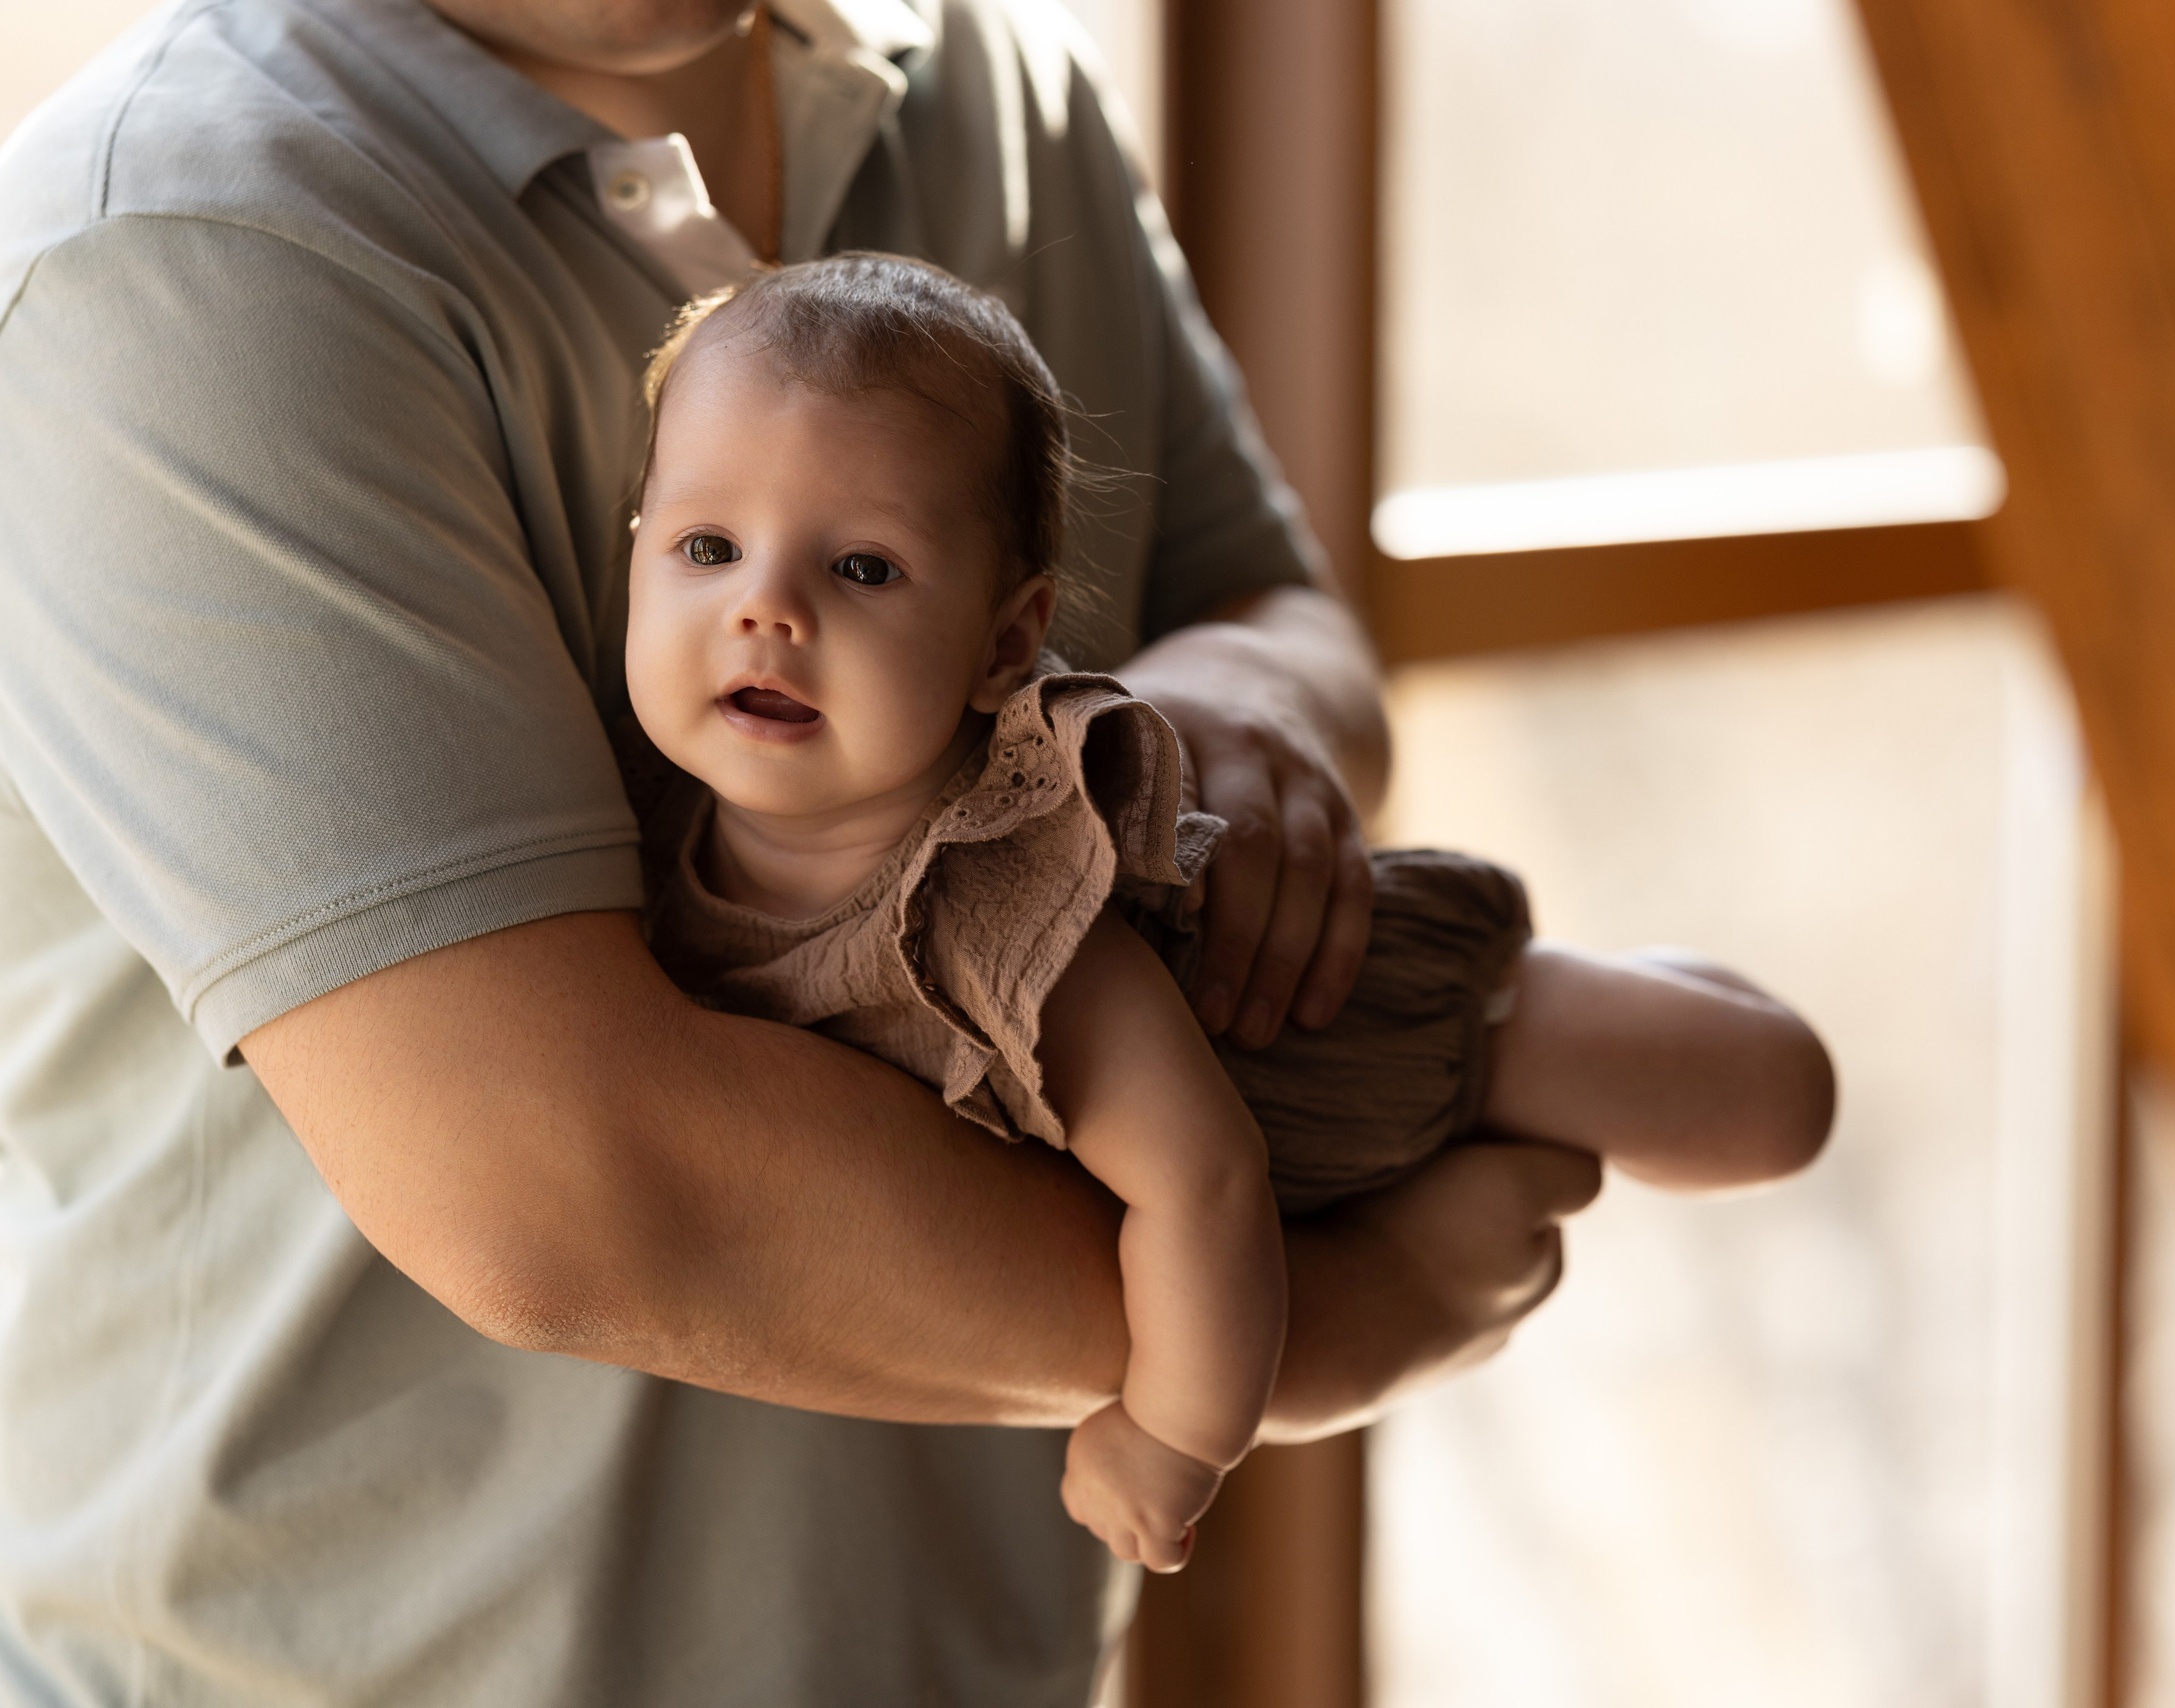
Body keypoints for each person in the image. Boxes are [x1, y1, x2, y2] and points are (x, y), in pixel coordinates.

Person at [0, 0, 1611, 1700]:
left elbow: (1264, 601)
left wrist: (1224, 717)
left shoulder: (993, 80)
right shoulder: (180, 252)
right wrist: (1309, 1333)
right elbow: (571, 1189)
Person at [626, 254, 1837, 1574]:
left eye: (861, 567)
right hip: (1305, 1209)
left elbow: (1201, 1175)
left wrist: (1177, 1435)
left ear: (1001, 643)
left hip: (1357, 1026)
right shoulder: (653, 845)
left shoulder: (993, 899)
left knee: (1773, 1095)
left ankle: (1587, 984)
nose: (766, 607)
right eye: (707, 547)